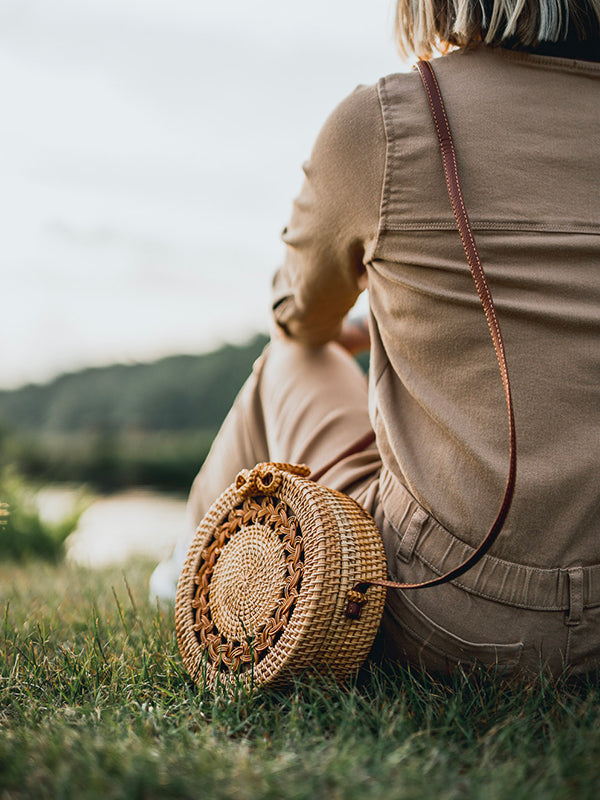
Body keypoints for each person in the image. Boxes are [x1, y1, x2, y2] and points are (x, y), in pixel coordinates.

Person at [151, 0, 600, 677]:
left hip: (436, 613)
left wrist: (372, 318)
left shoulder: (393, 120)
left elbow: (298, 314)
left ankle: (194, 567)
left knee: (289, 358)